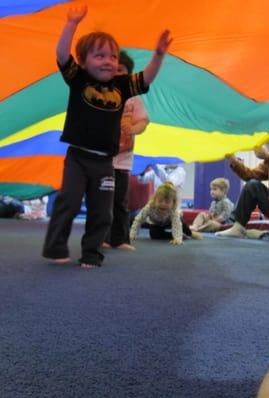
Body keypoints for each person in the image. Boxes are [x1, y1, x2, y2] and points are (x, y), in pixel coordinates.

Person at [42, 4, 172, 268]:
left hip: (105, 163)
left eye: (112, 57)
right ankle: (56, 248)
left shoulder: (122, 86)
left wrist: (158, 56)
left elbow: (146, 77)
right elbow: (61, 54)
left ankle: (91, 253)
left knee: (103, 212)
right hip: (78, 157)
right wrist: (71, 25)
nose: (108, 61)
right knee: (68, 201)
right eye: (100, 56)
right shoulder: (79, 80)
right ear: (84, 61)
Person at [103, 50, 150, 251]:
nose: (117, 74)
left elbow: (143, 121)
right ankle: (103, 237)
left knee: (121, 201)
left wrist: (133, 129)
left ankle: (120, 239)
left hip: (122, 161)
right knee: (103, 201)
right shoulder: (101, 95)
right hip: (103, 159)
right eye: (113, 70)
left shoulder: (133, 100)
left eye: (121, 70)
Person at [129, 182, 202, 245]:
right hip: (156, 223)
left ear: (173, 203)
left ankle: (190, 233)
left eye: (167, 202)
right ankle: (181, 235)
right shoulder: (149, 207)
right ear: (155, 200)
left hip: (169, 222)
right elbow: (138, 219)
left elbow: (176, 224)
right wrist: (133, 233)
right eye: (160, 201)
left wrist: (177, 239)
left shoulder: (173, 210)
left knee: (181, 222)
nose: (163, 204)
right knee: (154, 235)